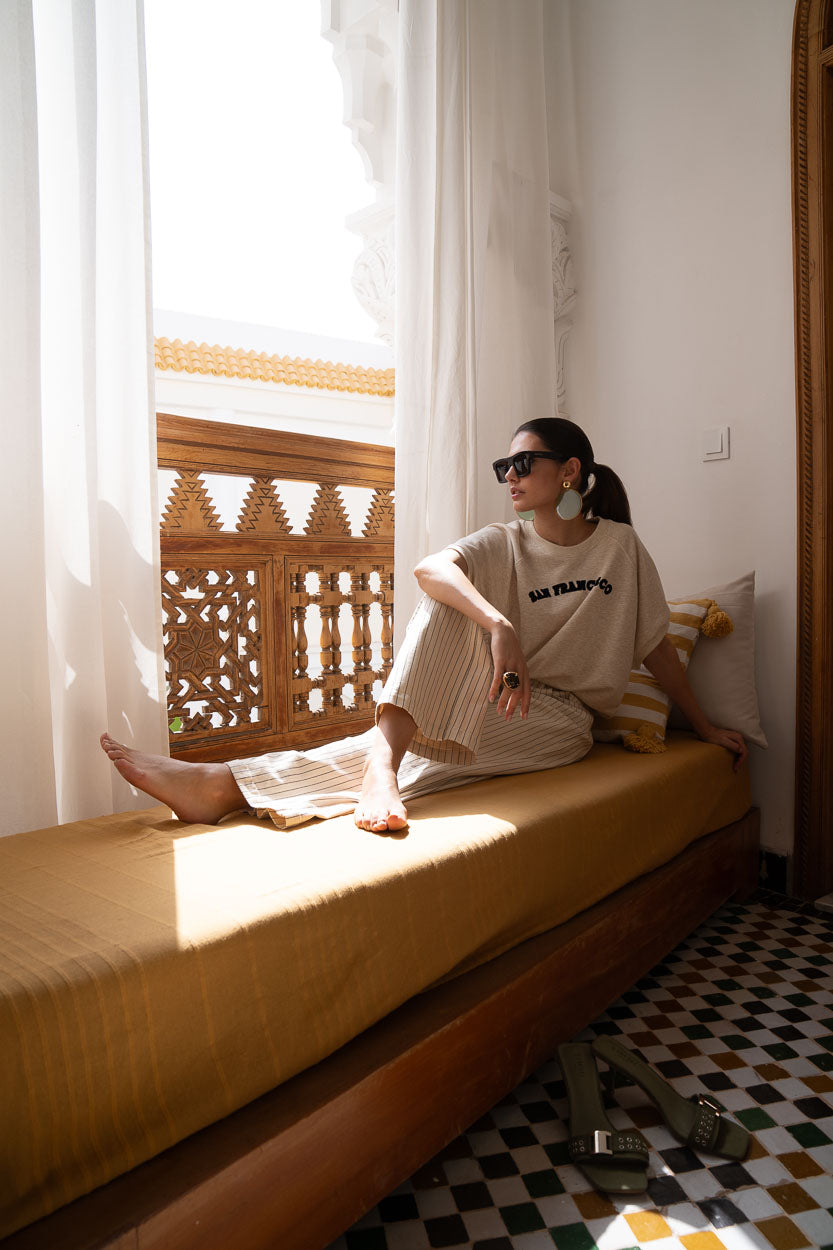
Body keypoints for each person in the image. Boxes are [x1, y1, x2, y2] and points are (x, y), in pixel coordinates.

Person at [101, 418, 747, 833]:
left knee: (427, 749)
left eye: (524, 464)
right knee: (448, 596)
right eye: (504, 467)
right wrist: (499, 624)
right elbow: (429, 568)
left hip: (561, 721)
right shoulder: (504, 541)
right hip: (497, 694)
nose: (511, 477)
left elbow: (655, 647)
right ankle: (369, 766)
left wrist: (702, 724)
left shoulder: (620, 548)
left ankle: (227, 783)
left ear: (570, 471)